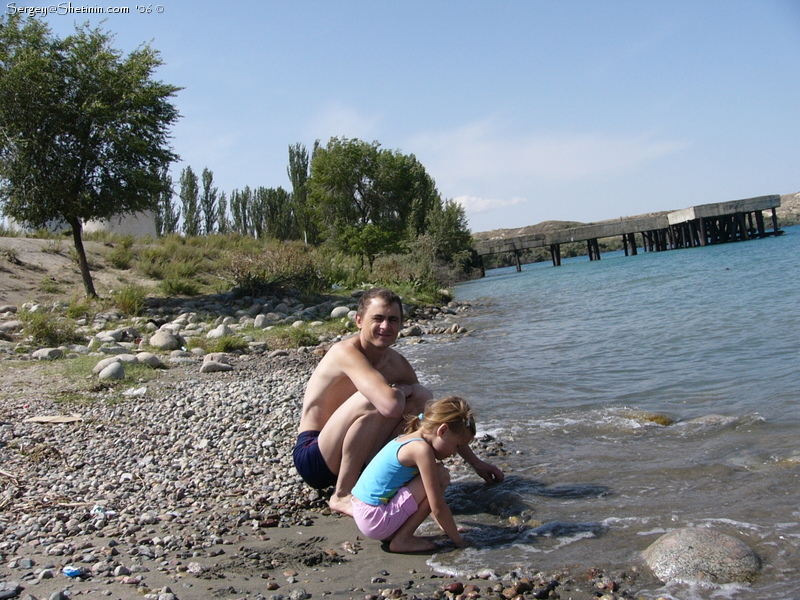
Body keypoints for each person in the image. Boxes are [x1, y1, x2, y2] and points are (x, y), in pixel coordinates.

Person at [293, 287, 503, 516]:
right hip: (316, 456)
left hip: (357, 456)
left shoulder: (397, 364)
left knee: (421, 396)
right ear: (359, 321)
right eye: (378, 319)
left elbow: (434, 418)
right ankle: (342, 494)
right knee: (375, 399)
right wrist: (402, 390)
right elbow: (389, 405)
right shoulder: (345, 352)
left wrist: (476, 463)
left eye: (393, 320)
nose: (385, 326)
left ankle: (382, 478)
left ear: (401, 324)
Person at [350, 396, 476, 553]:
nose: (455, 453)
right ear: (442, 430)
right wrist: (459, 540)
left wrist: (447, 527)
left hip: (365, 513)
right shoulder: (421, 450)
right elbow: (436, 506)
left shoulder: (407, 438)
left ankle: (397, 533)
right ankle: (402, 539)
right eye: (456, 445)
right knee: (440, 475)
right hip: (375, 519)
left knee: (436, 475)